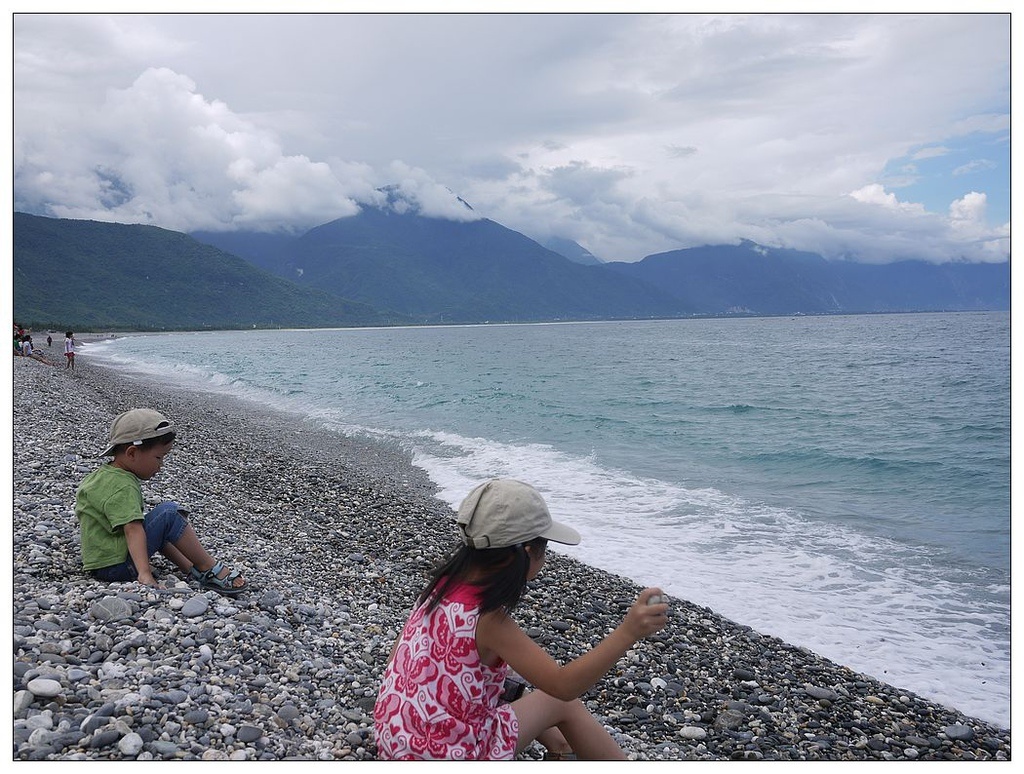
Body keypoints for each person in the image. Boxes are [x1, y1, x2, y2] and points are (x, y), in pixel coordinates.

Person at [373, 478, 668, 760]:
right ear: (526, 553)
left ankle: (560, 746)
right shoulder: (487, 618)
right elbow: (563, 686)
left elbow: (399, 662)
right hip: (447, 755)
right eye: (544, 549)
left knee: (507, 684)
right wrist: (627, 633)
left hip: (397, 739)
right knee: (559, 703)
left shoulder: (439, 588)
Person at [75, 408, 248, 595]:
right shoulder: (123, 485)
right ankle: (209, 566)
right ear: (132, 453)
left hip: (101, 563)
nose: (161, 465)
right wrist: (144, 574)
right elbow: (132, 529)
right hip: (117, 566)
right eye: (159, 457)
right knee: (169, 514)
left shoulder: (102, 476)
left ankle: (191, 569)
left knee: (160, 524)